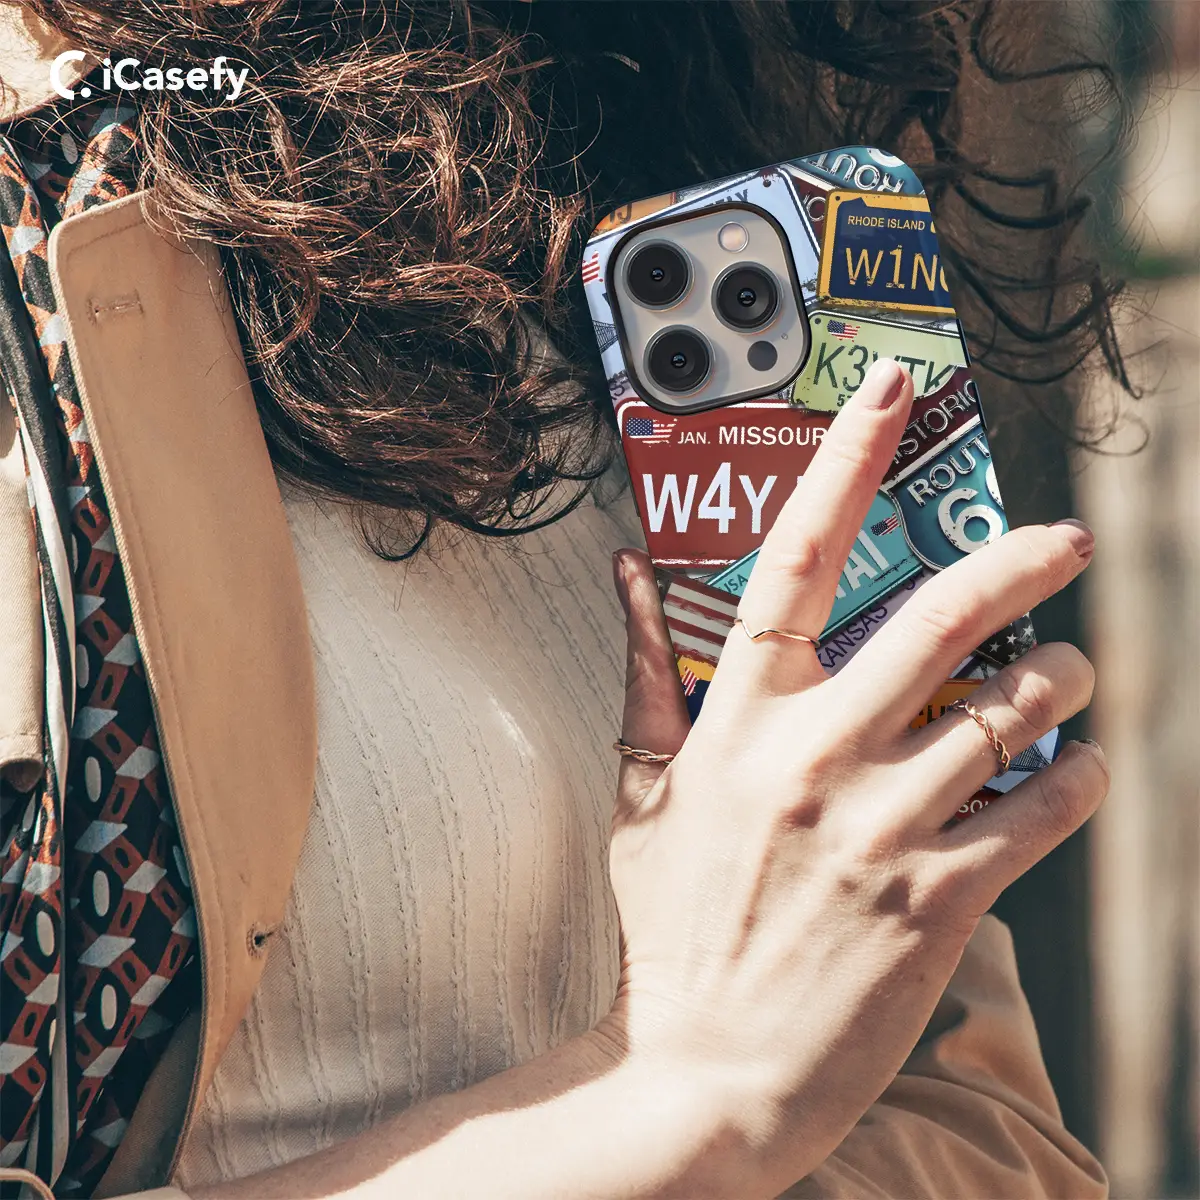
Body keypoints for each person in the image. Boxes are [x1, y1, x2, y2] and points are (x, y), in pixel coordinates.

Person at [0, 3, 1124, 1197]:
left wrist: (738, 1093)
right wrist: (685, 1090)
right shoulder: (46, 264)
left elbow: (990, 1138)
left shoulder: (622, 187)